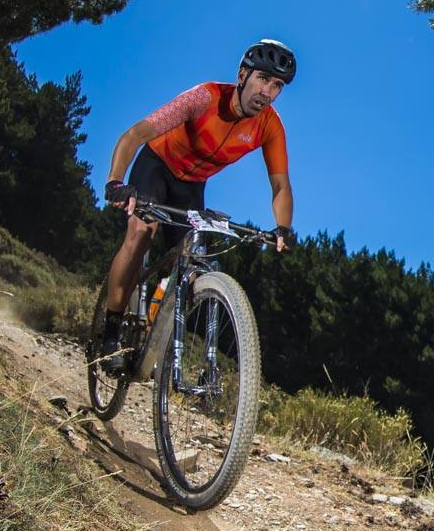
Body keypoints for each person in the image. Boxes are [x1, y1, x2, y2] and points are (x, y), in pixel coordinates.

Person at [99, 38, 298, 372]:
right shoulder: (204, 98)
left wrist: (283, 228)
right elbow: (134, 135)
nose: (268, 91)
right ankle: (109, 335)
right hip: (157, 167)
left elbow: (280, 184)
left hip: (191, 186)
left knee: (190, 262)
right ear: (242, 74)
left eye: (277, 85)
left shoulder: (269, 126)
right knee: (139, 237)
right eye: (263, 79)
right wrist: (116, 181)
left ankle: (152, 328)